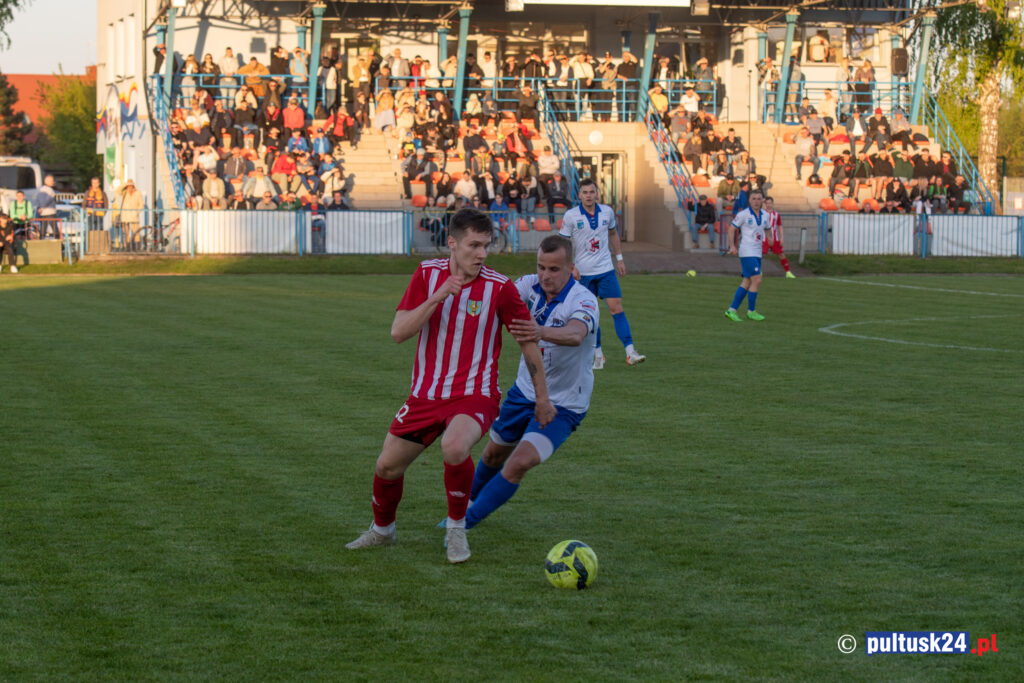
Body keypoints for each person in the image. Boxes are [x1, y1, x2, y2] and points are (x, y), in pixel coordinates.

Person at [345, 208, 555, 564]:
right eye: (474, 245)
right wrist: (438, 296)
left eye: (486, 245)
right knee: (387, 467)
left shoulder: (499, 288)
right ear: (452, 243)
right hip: (426, 395)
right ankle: (382, 531)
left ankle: (457, 529)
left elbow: (528, 342)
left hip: (476, 394)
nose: (482, 253)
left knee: (455, 446)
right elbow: (398, 332)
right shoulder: (428, 275)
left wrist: (543, 398)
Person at [444, 235, 598, 530]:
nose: (545, 275)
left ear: (571, 268)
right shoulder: (528, 285)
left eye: (554, 269)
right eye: (541, 267)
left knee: (519, 463)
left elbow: (575, 334)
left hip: (564, 403)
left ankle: (461, 526)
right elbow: (494, 298)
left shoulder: (583, 300)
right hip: (523, 392)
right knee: (492, 455)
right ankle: (465, 509)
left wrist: (540, 331)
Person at [559, 177, 645, 368]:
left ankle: (630, 352)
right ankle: (598, 355)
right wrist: (571, 266)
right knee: (591, 314)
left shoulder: (607, 211)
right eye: (585, 192)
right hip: (583, 274)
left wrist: (619, 259)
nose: (589, 196)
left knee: (617, 309)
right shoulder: (571, 216)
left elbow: (613, 234)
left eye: (592, 192)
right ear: (579, 195)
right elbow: (563, 243)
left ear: (597, 193)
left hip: (606, 270)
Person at [724, 189, 768, 322]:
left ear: (762, 200)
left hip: (757, 252)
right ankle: (751, 311)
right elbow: (732, 229)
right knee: (757, 279)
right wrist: (732, 246)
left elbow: (767, 228)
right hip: (747, 251)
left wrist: (770, 239)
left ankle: (731, 310)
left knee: (747, 281)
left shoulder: (765, 215)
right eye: (753, 199)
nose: (756, 201)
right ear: (749, 200)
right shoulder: (743, 214)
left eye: (759, 199)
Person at [761, 197, 794, 279]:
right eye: (767, 203)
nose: (768, 205)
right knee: (759, 254)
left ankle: (788, 272)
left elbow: (780, 226)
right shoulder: (762, 213)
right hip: (764, 238)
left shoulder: (776, 214)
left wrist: (782, 237)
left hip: (775, 238)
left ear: (772, 204)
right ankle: (758, 271)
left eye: (770, 203)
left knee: (781, 254)